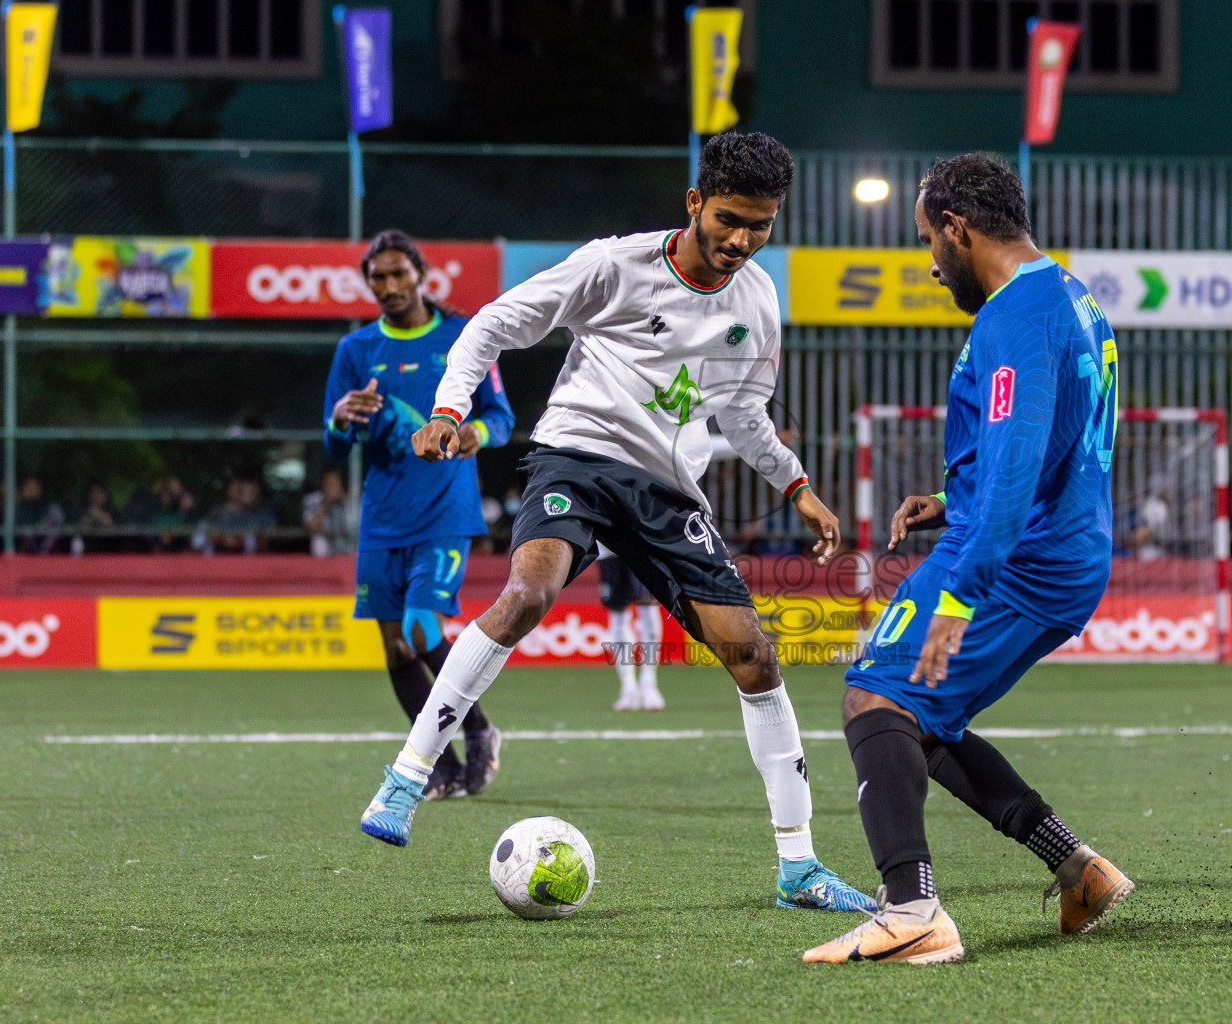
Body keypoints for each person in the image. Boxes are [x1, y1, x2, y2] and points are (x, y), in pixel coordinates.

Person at [358, 131, 875, 915]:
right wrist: (447, 409)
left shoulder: (758, 301)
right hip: (577, 456)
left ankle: (799, 870)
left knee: (755, 660)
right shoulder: (613, 265)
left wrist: (795, 484)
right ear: (695, 203)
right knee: (528, 596)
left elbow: (741, 411)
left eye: (762, 225)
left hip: (667, 490)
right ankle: (406, 776)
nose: (742, 240)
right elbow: (493, 325)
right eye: (730, 218)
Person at [803, 153, 1131, 966]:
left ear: (959, 229)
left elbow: (1020, 465)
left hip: (1016, 559)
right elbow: (1058, 445)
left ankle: (911, 910)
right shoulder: (1072, 297)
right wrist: (952, 499)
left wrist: (958, 596)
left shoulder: (1015, 317)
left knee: (874, 700)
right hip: (1049, 545)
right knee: (925, 717)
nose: (929, 260)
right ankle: (1077, 868)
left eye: (928, 240)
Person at [326, 229, 516, 800]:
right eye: (377, 277)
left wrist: (469, 432)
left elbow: (501, 418)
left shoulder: (462, 336)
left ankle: (479, 732)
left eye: (397, 273)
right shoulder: (355, 351)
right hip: (383, 517)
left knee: (420, 628)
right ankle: (444, 768)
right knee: (394, 647)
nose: (388, 285)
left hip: (445, 510)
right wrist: (339, 418)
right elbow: (335, 446)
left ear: (420, 274)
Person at [597, 542, 665, 712]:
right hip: (608, 547)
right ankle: (628, 687)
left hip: (642, 543)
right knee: (618, 613)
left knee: (648, 606)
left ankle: (649, 684)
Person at [203, 471, 278, 554]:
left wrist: (243, 541)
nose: (249, 494)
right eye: (242, 490)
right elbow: (202, 539)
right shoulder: (215, 515)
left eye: (253, 490)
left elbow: (270, 540)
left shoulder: (265, 516)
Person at [302, 467, 358, 557]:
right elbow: (311, 526)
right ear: (323, 484)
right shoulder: (312, 500)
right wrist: (326, 503)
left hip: (347, 551)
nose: (332, 487)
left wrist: (343, 502)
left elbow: (355, 527)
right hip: (323, 553)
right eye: (329, 483)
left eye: (335, 483)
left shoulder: (351, 502)